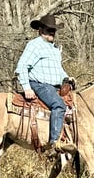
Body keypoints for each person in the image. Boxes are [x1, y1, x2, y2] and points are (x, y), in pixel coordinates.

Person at [15, 14, 76, 153]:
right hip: (39, 85)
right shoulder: (34, 45)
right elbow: (22, 66)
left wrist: (67, 78)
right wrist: (27, 88)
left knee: (73, 105)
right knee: (58, 105)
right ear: (40, 30)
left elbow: (58, 70)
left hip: (54, 87)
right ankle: (55, 143)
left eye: (53, 30)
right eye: (49, 29)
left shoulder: (54, 49)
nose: (52, 32)